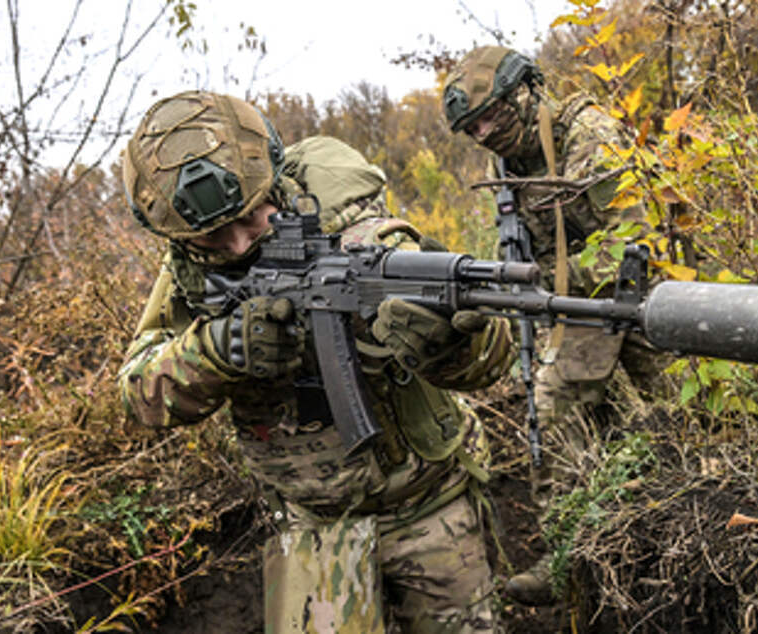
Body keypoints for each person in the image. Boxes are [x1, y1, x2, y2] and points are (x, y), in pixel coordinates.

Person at [118, 90, 515, 633]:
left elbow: (491, 363)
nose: (238, 245)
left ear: (274, 183)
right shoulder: (190, 271)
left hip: (430, 509)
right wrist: (215, 351)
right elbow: (138, 392)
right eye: (213, 236)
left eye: (251, 217)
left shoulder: (363, 238)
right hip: (309, 528)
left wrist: (449, 343)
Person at [442, 46, 669, 606]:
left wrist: (547, 285)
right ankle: (567, 552)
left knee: (678, 416)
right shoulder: (508, 163)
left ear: (525, 92)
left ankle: (680, 521)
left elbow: (634, 245)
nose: (483, 134)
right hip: (573, 310)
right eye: (472, 128)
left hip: (641, 300)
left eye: (491, 117)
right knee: (553, 408)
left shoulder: (588, 137)